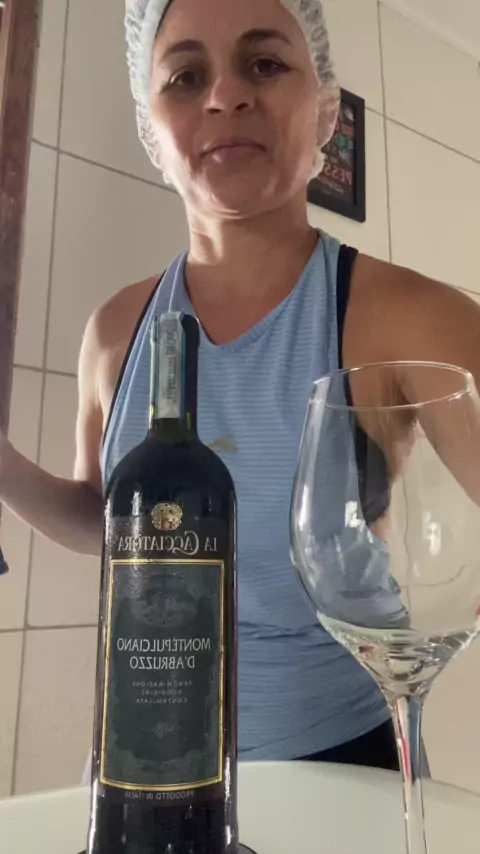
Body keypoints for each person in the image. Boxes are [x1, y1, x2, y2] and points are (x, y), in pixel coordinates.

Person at [1, 0, 480, 772]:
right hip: (145, 758)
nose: (225, 96)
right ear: (151, 128)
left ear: (324, 109)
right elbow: (109, 522)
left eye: (264, 64)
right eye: (186, 77)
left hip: (342, 762)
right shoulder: (116, 330)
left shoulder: (408, 317)